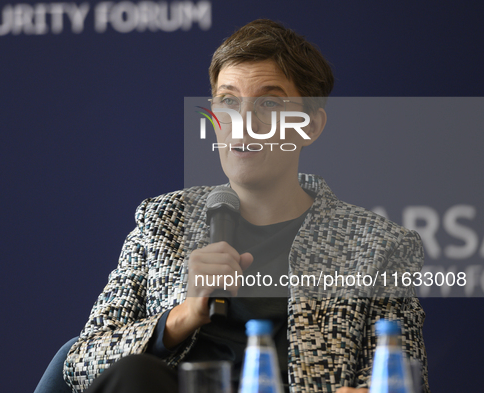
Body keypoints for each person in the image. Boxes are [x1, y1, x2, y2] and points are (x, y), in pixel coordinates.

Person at [63, 19, 429, 393]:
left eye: (269, 103)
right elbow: (81, 363)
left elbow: (406, 382)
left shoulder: (378, 245)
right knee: (136, 375)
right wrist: (184, 315)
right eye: (228, 101)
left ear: (311, 125)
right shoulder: (164, 221)